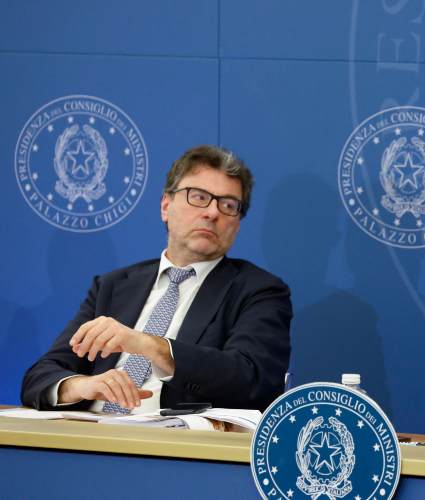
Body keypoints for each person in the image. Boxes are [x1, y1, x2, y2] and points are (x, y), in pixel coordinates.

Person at [21, 145, 292, 413]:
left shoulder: (259, 291)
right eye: (199, 197)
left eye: (228, 205)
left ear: (237, 223)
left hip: (171, 438)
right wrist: (81, 386)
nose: (212, 213)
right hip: (91, 430)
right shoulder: (112, 286)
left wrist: (152, 346)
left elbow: (253, 380)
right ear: (165, 205)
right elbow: (41, 375)